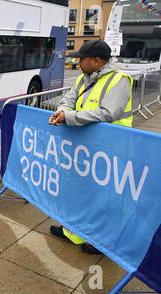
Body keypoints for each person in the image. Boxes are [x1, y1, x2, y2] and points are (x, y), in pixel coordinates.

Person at [48, 39, 133, 255]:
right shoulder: (83, 78)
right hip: (85, 146)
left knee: (104, 196)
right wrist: (63, 112)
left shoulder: (120, 79)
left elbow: (108, 113)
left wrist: (69, 117)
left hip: (112, 148)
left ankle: (101, 241)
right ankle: (73, 232)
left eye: (81, 59)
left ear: (97, 61)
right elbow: (68, 100)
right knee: (79, 191)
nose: (77, 63)